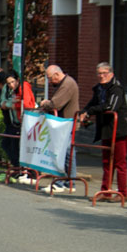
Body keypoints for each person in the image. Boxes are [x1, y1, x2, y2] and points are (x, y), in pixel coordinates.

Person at [79, 62, 127, 201]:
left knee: (119, 163)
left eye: (104, 73)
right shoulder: (99, 88)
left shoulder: (116, 88)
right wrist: (84, 111)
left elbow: (111, 106)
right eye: (99, 73)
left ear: (111, 74)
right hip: (106, 129)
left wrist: (91, 111)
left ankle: (123, 193)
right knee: (106, 161)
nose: (102, 76)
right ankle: (106, 191)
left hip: (119, 129)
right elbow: (93, 103)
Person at [40, 65, 80, 193]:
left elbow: (55, 104)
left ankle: (64, 181)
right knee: (67, 152)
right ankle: (69, 182)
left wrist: (45, 103)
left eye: (50, 78)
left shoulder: (67, 85)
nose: (50, 81)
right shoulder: (64, 84)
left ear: (57, 74)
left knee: (65, 152)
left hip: (66, 123)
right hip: (64, 123)